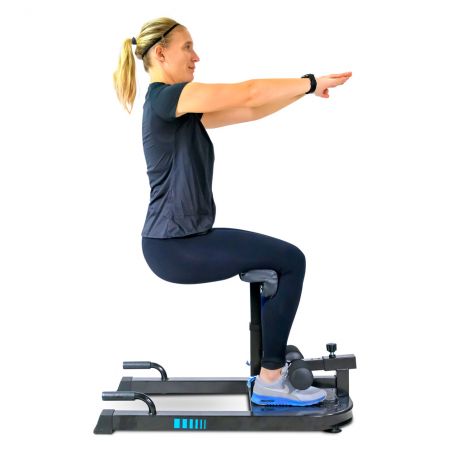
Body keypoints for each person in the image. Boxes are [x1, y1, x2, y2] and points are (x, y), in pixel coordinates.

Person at [113, 17, 352, 406]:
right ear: (161, 52)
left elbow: (250, 109)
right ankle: (271, 378)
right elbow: (249, 92)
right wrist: (309, 81)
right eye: (187, 47)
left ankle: (271, 364)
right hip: (175, 246)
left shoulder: (177, 109)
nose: (196, 57)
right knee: (291, 261)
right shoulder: (167, 98)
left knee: (283, 261)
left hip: (177, 242)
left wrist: (305, 93)